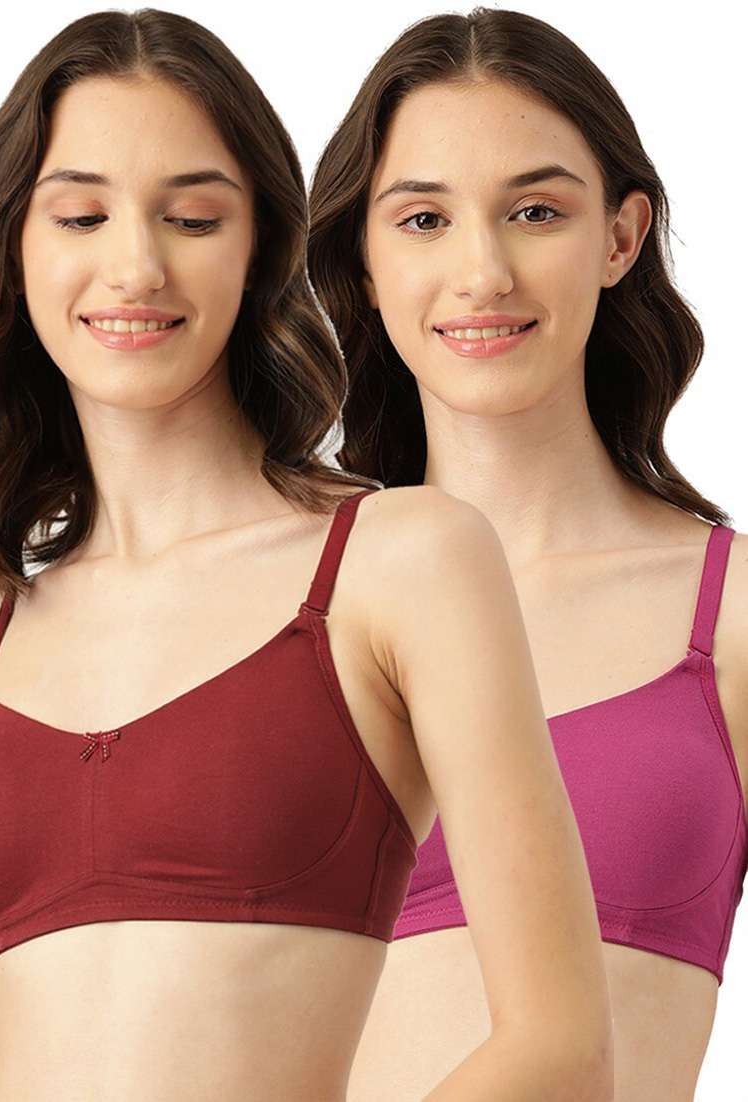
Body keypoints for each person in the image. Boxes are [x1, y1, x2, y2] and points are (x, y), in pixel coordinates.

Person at [0, 9, 612, 1102]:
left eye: (193, 218)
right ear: (13, 249)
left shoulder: (400, 563)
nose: (135, 265)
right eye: (82, 215)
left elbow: (560, 1048)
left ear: (259, 252)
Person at [307, 7, 748, 1101]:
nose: (483, 272)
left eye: (536, 211)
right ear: (362, 259)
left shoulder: (732, 615)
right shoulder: (280, 606)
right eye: (422, 220)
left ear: (620, 237)